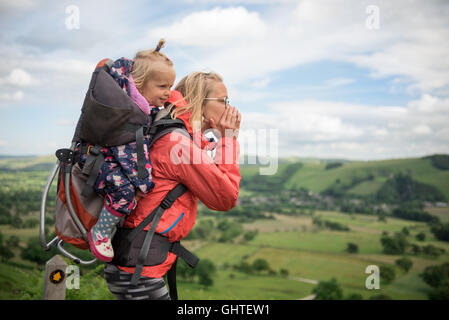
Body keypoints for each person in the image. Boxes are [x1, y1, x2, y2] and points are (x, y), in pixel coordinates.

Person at [103, 71, 242, 300]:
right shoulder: (177, 143)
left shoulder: (179, 137)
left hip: (138, 263)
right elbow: (225, 197)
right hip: (139, 269)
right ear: (200, 101)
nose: (229, 108)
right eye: (223, 101)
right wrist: (228, 139)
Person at [77, 39, 176, 262]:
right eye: (162, 87)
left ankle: (108, 225)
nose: (168, 93)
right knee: (125, 193)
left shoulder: (135, 102)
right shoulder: (132, 114)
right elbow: (133, 156)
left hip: (102, 154)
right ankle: (100, 233)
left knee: (130, 192)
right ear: (140, 83)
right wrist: (144, 184)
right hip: (97, 158)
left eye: (170, 86)